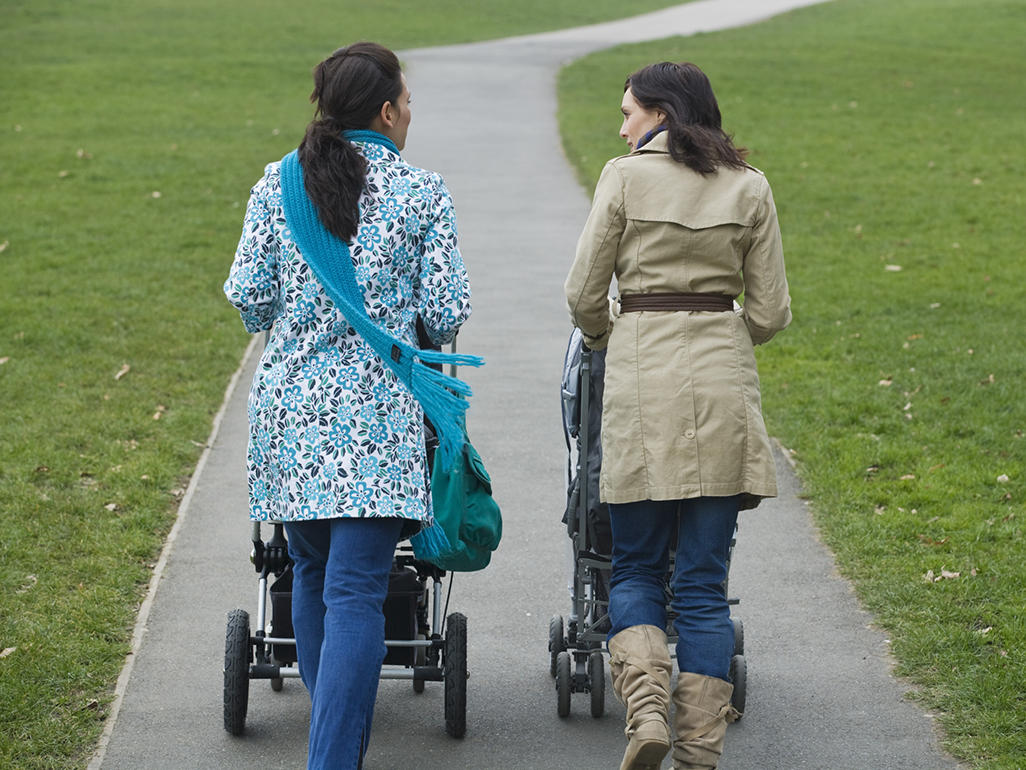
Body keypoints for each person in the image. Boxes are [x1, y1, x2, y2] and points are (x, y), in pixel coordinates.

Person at [224, 42, 472, 769]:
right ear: (388, 110)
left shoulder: (279, 184)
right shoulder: (422, 192)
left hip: (291, 416)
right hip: (377, 417)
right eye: (408, 104)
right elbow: (447, 310)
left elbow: (249, 301)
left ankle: (334, 736)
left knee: (309, 574)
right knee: (358, 591)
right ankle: (332, 757)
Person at [564, 61, 791, 770]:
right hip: (721, 380)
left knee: (633, 568)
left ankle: (647, 714)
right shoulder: (749, 186)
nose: (622, 124)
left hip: (641, 380)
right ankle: (700, 749)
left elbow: (582, 293)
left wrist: (608, 335)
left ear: (662, 113)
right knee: (701, 584)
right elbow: (771, 312)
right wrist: (721, 335)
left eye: (629, 111)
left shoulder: (625, 177)